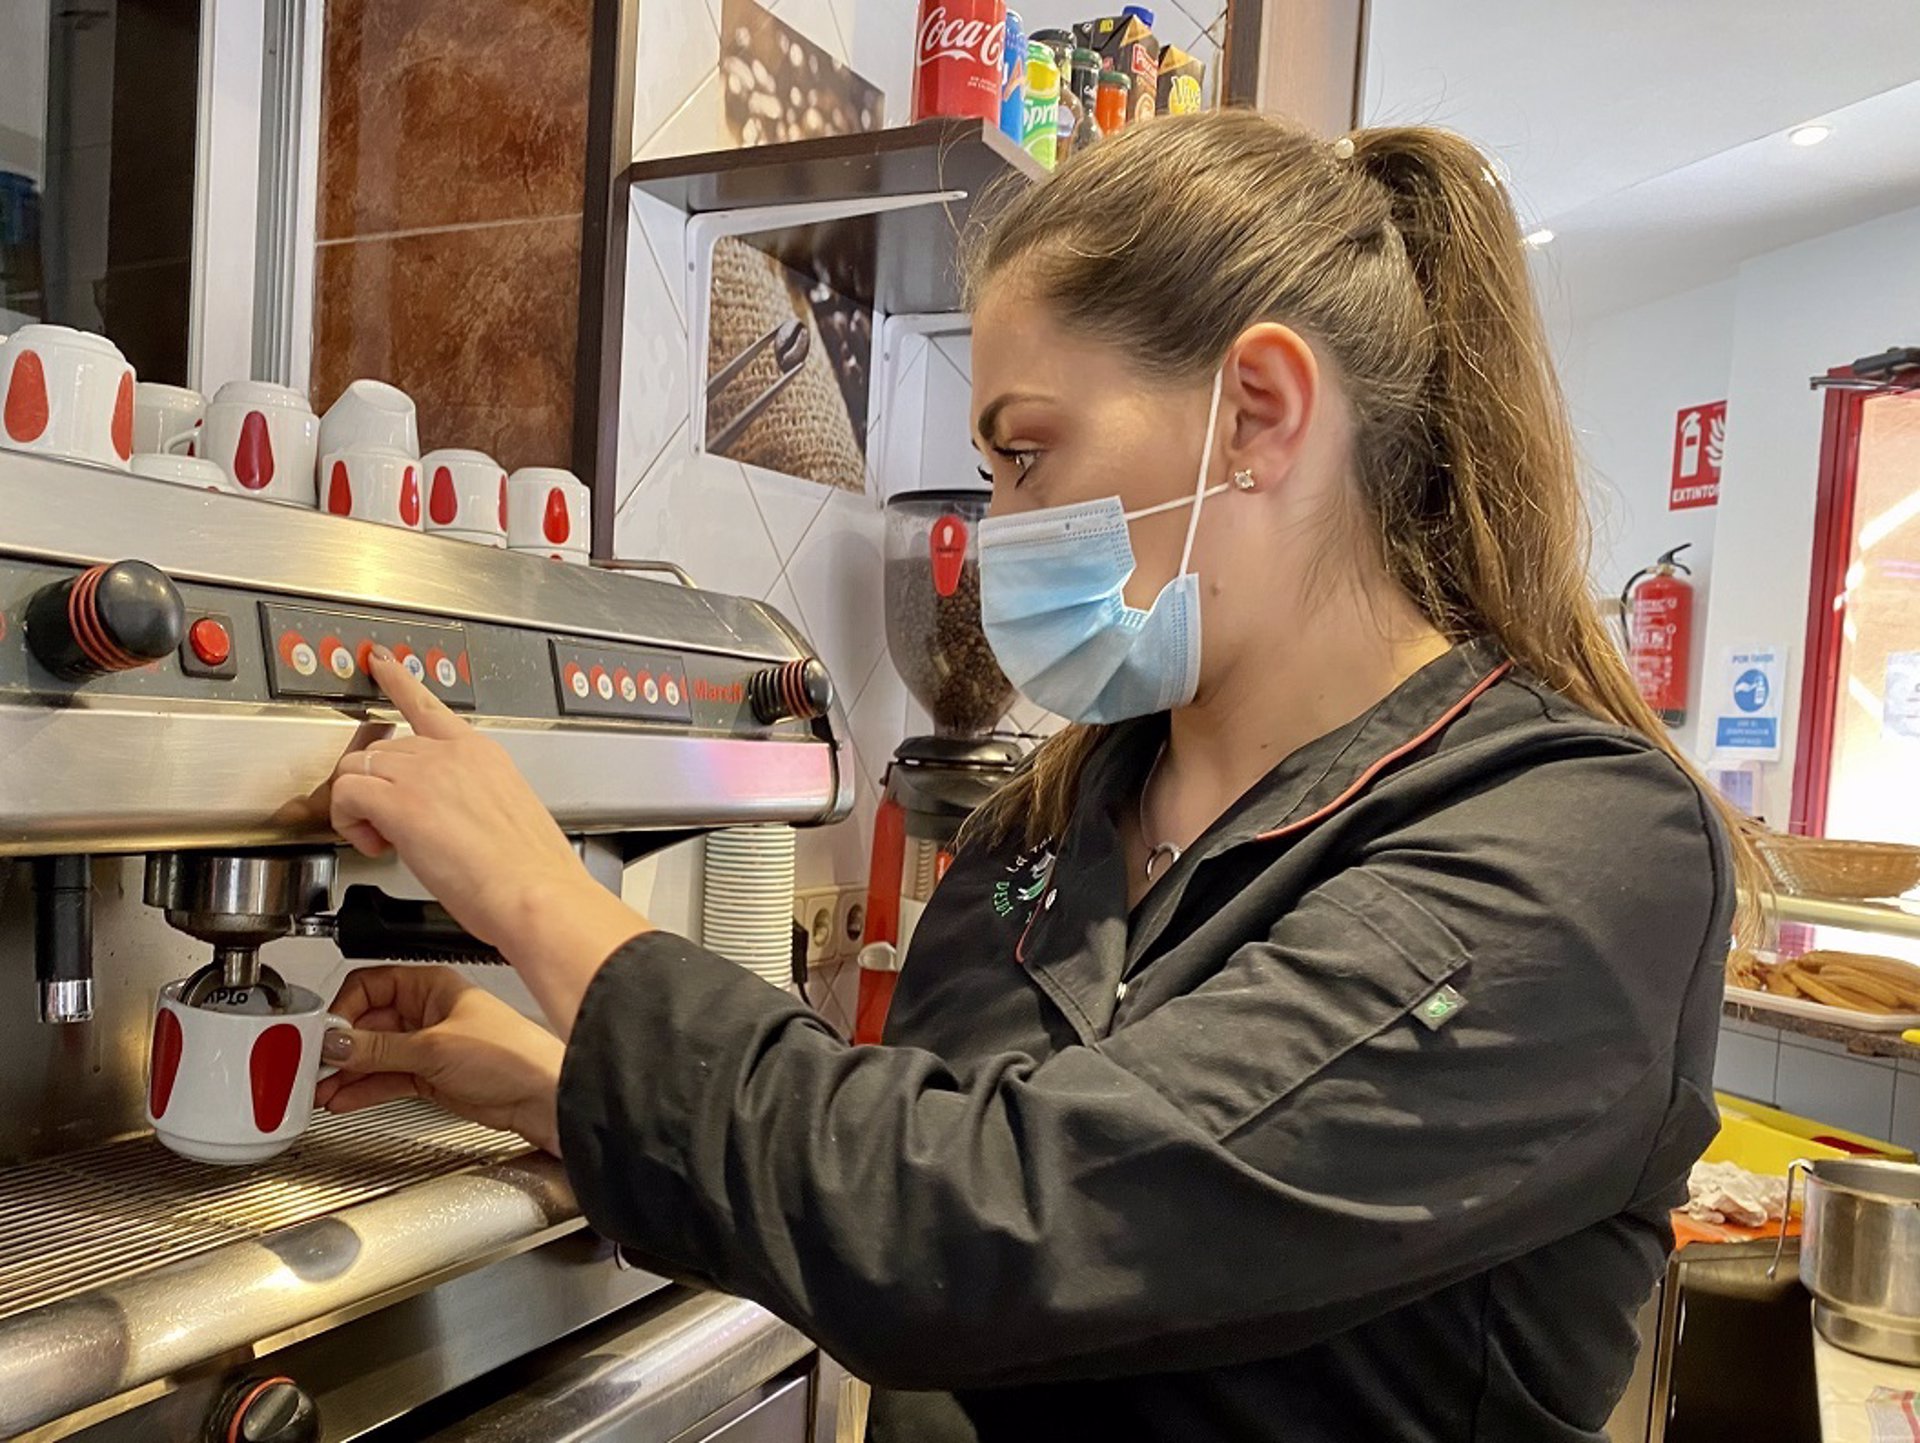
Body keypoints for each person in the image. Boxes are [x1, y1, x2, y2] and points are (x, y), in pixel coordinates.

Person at [314, 111, 1755, 1443]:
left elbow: (1001, 1226)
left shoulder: (1574, 849)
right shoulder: (1051, 828)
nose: (996, 531)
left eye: (1024, 455)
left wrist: (543, 904)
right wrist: (583, 1097)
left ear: (1257, 411)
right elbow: (896, 1159)